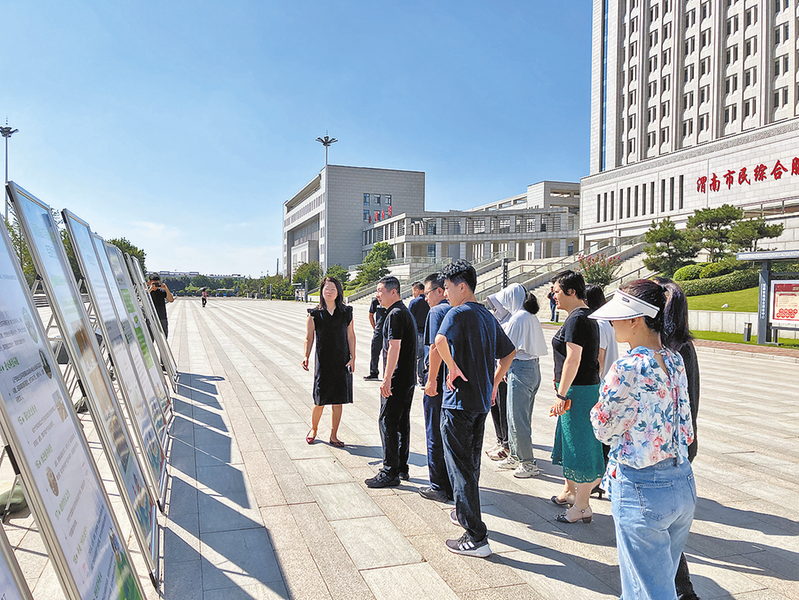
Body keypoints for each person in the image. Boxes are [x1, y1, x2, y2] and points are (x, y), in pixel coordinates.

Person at [589, 279, 696, 600]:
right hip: (681, 482)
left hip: (642, 487)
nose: (611, 322)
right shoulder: (675, 359)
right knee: (648, 585)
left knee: (648, 591)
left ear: (635, 319)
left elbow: (602, 428)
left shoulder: (627, 367)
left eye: (617, 316)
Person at [434, 260, 515, 558]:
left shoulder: (458, 313)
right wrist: (494, 383)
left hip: (457, 404)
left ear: (463, 286)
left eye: (448, 288)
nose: (445, 294)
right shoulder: (486, 315)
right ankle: (463, 512)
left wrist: (452, 367)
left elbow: (439, 341)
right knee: (471, 465)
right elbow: (509, 353)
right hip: (480, 402)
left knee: (460, 467)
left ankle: (476, 536)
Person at [653, 277, 701, 600]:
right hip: (682, 442)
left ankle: (681, 589)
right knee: (666, 526)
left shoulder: (667, 352)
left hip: (668, 447)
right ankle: (679, 588)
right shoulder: (681, 345)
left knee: (661, 528)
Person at [549, 270, 604, 524]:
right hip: (583, 388)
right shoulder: (584, 317)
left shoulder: (577, 319)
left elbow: (574, 358)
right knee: (576, 441)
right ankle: (574, 496)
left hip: (578, 391)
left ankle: (582, 505)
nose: (553, 295)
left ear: (572, 292)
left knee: (580, 445)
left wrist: (562, 392)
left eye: (557, 291)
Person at [365, 276, 417, 488]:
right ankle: (401, 467)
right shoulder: (404, 312)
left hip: (396, 379)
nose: (377, 295)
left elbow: (393, 347)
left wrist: (386, 379)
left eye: (380, 290)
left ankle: (390, 471)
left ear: (393, 291)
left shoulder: (395, 315)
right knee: (401, 423)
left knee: (387, 422)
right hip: (407, 379)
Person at [491, 285, 548, 478]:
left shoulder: (518, 318)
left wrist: (496, 380)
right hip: (530, 368)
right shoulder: (528, 316)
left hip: (520, 370)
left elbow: (507, 352)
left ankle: (527, 462)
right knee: (518, 417)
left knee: (517, 419)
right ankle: (516, 455)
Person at [301, 276, 355, 447]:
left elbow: (351, 336)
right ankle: (314, 428)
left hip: (342, 360)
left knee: (338, 400)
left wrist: (353, 357)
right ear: (321, 292)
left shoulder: (346, 312)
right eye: (326, 289)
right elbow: (309, 338)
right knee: (320, 399)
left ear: (338, 292)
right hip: (323, 361)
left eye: (333, 289)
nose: (329, 292)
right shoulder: (315, 314)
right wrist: (306, 355)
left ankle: (334, 435)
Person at [419, 272, 452, 503]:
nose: (425, 298)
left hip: (438, 382)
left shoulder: (436, 311)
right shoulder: (458, 309)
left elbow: (434, 347)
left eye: (427, 293)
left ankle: (438, 485)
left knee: (434, 432)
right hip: (454, 384)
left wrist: (430, 380)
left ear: (440, 291)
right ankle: (450, 483)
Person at [585, 283, 619, 497]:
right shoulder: (608, 323)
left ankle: (599, 478)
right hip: (610, 381)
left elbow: (599, 357)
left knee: (599, 436)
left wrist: (593, 384)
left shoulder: (598, 324)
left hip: (601, 384)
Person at [484, 290, 511, 462]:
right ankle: (500, 439)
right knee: (495, 407)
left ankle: (506, 443)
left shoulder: (510, 322)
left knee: (503, 408)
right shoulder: (497, 320)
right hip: (493, 368)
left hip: (502, 371)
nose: (494, 309)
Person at [408, 281, 430, 385]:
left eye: (413, 291)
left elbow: (409, 318)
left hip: (418, 332)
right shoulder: (429, 300)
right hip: (429, 332)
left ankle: (421, 379)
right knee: (428, 356)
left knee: (419, 357)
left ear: (417, 290)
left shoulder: (414, 302)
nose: (413, 294)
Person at [365, 294, 388, 380]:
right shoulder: (375, 301)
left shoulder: (390, 300)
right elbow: (370, 315)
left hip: (389, 330)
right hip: (379, 330)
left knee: (389, 353)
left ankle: (388, 374)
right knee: (375, 351)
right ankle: (373, 372)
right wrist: (375, 327)